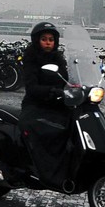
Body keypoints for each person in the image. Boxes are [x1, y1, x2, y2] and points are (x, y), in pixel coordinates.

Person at [18, 21, 71, 188]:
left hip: (57, 103)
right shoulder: (31, 58)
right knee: (41, 130)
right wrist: (51, 91)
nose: (48, 43)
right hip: (36, 104)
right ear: (37, 40)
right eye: (44, 39)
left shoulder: (58, 58)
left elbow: (66, 78)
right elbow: (31, 86)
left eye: (51, 39)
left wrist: (76, 87)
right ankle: (43, 171)